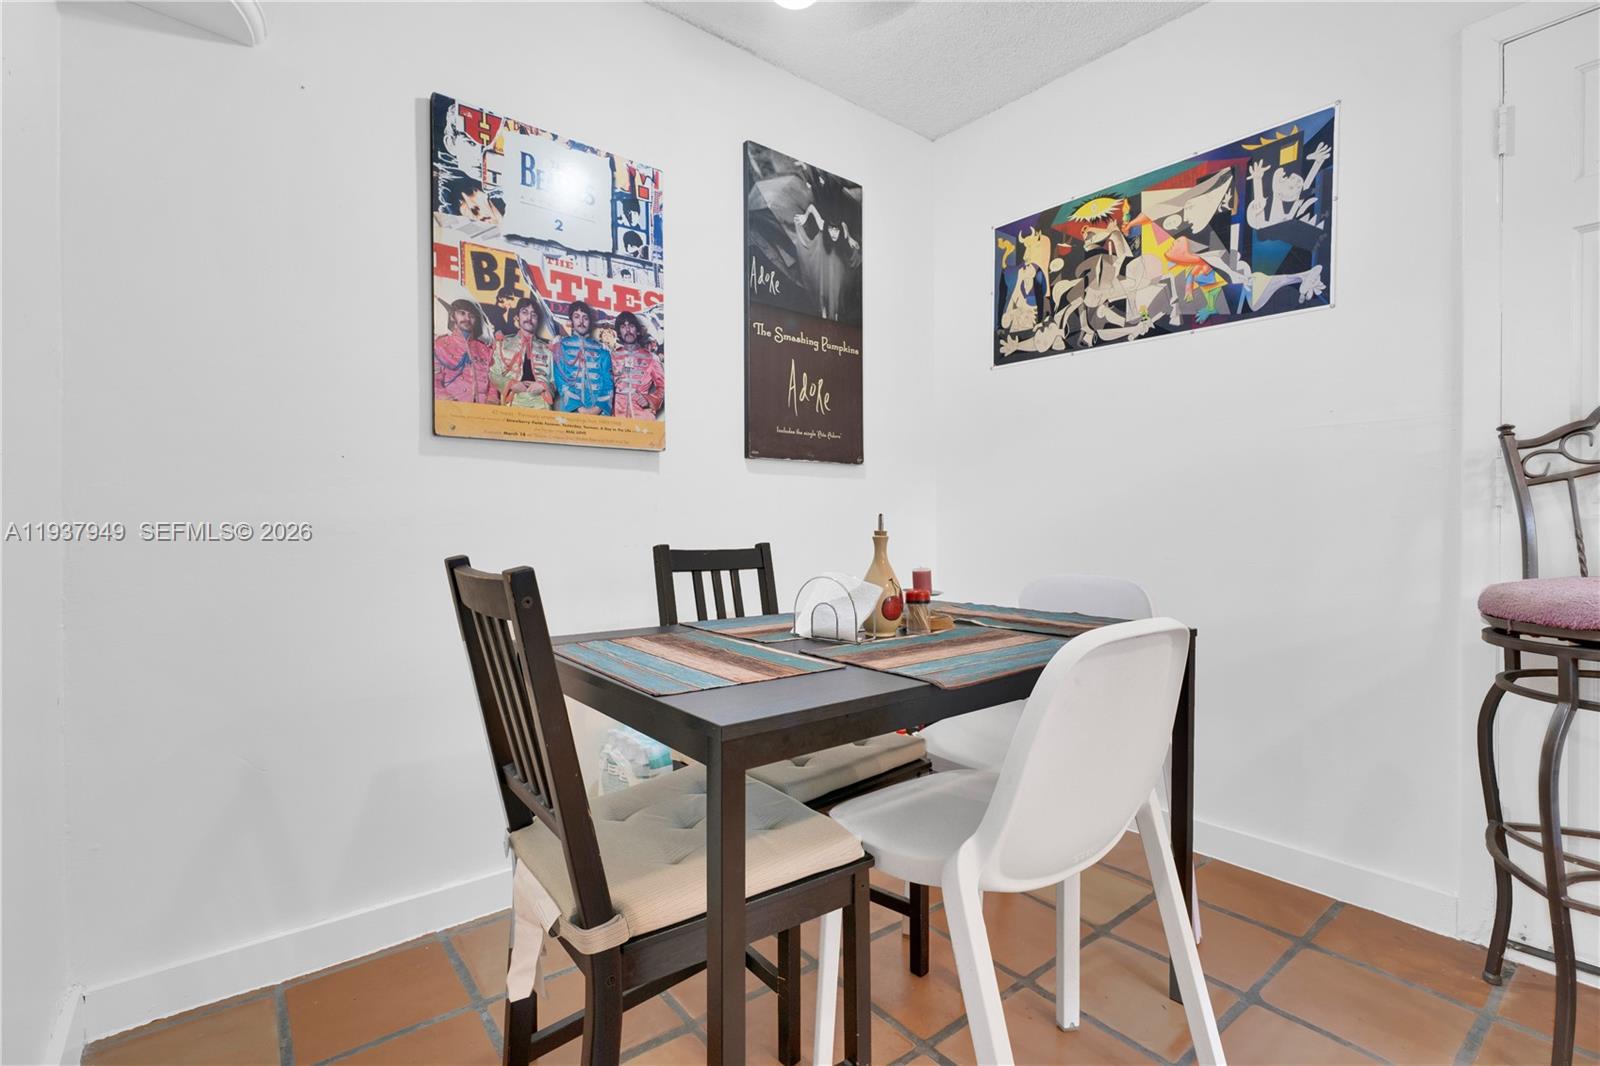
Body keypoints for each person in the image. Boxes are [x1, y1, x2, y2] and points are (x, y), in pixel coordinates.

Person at [552, 301, 614, 415]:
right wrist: (579, 409)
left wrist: (597, 409)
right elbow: (561, 381)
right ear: (571, 321)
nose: (581, 322)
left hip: (599, 414)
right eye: (577, 317)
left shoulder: (602, 350)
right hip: (571, 412)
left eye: (585, 318)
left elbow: (608, 383)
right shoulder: (561, 346)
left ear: (590, 322)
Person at [491, 298, 554, 409]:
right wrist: (510, 384)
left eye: (534, 315)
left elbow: (555, 381)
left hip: (541, 404)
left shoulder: (547, 349)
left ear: (538, 321)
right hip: (512, 402)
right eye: (525, 312)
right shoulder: (503, 344)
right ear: (517, 317)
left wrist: (544, 386)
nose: (529, 318)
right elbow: (492, 374)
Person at [433, 299, 494, 403]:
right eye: (462, 313)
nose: (467, 318)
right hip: (454, 408)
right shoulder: (440, 345)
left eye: (471, 316)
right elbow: (434, 380)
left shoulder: (484, 349)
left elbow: (492, 380)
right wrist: (449, 402)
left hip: (483, 409)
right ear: (452, 317)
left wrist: (492, 399)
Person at [610, 311, 664, 420]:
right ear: (619, 332)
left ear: (637, 331)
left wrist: (650, 400)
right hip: (617, 417)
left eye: (631, 326)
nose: (628, 330)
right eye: (623, 327)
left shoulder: (651, 358)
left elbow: (663, 386)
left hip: (643, 418)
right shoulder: (612, 357)